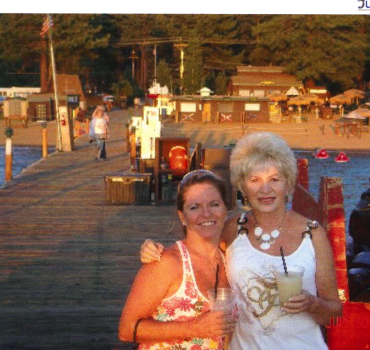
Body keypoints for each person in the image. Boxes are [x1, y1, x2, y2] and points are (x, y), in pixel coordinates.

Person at [140, 132, 343, 349]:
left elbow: (334, 314)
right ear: (243, 186)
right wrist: (152, 249)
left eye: (274, 179)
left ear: (288, 183)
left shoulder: (313, 234)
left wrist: (312, 304)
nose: (265, 189)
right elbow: (194, 250)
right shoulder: (231, 228)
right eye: (255, 180)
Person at [119, 170, 237, 350]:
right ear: (182, 216)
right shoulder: (167, 262)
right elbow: (127, 330)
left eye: (214, 204)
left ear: (225, 210)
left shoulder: (230, 260)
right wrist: (194, 328)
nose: (206, 214)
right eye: (194, 207)